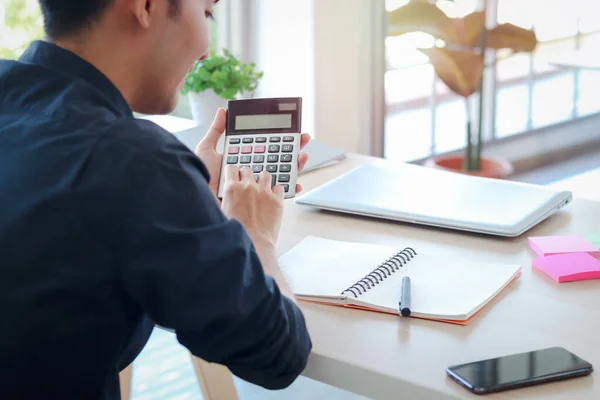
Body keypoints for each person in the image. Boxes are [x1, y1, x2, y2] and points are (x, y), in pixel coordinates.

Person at [0, 0, 313, 398]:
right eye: (207, 13)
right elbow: (278, 353)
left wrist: (185, 192)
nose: (206, 51)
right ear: (145, 6)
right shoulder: (134, 160)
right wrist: (255, 235)